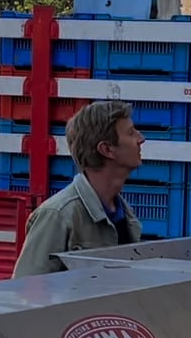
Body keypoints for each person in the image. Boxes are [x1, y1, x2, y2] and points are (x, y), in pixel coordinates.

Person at [12, 100, 146, 277]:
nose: (141, 139)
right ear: (106, 149)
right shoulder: (57, 215)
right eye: (131, 133)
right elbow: (26, 292)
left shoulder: (124, 214)